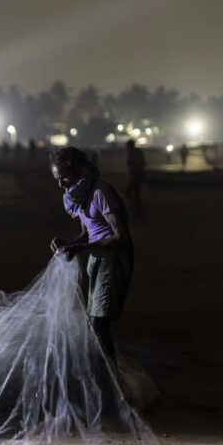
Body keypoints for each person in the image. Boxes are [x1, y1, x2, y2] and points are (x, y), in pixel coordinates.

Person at [49, 147, 133, 363]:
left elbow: (121, 236)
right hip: (98, 257)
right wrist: (68, 244)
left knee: (98, 320)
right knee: (95, 318)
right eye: (57, 179)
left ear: (78, 168)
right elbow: (87, 235)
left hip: (113, 258)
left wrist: (79, 249)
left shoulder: (100, 192)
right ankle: (107, 370)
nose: (61, 185)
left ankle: (110, 375)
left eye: (64, 177)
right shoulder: (81, 196)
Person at [124, 139, 146, 220]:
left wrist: (133, 168)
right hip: (137, 175)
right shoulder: (135, 152)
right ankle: (138, 210)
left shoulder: (134, 153)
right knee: (135, 194)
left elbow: (139, 163)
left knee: (129, 192)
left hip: (137, 175)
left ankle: (138, 210)